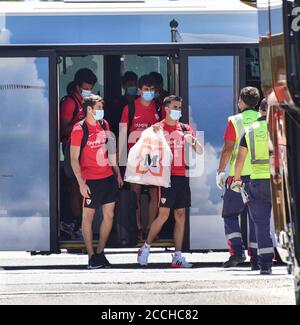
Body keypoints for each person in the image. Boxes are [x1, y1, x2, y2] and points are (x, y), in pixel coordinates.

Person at [137, 95, 203, 268]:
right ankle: (145, 248)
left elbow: (200, 151)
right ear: (166, 109)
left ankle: (178, 257)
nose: (177, 111)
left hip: (182, 176)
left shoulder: (185, 128)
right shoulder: (157, 128)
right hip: (165, 178)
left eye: (179, 107)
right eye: (175, 107)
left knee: (180, 215)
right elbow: (146, 154)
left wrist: (193, 141)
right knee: (164, 215)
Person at [70, 95, 123, 269]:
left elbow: (111, 151)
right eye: (98, 107)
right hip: (90, 180)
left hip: (107, 177)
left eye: (102, 107)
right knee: (88, 217)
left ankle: (100, 253)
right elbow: (73, 159)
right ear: (89, 110)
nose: (101, 111)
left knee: (109, 215)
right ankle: (91, 255)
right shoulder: (79, 129)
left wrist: (117, 173)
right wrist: (81, 183)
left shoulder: (104, 124)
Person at [216, 87, 261, 269]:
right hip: (259, 175)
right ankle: (257, 257)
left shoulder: (235, 120)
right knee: (257, 216)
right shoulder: (263, 120)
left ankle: (237, 252)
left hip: (238, 176)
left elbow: (228, 148)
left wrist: (220, 171)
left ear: (242, 100)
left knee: (229, 214)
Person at [232, 99, 274, 275]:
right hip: (279, 182)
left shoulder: (249, 131)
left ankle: (265, 265)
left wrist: (237, 179)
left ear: (260, 111)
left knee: (261, 225)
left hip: (257, 181)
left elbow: (240, 158)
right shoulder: (281, 129)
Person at [119, 74, 162, 241]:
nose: (149, 92)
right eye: (146, 90)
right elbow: (122, 135)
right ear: (139, 90)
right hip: (134, 157)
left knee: (154, 194)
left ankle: (150, 229)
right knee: (134, 194)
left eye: (152, 90)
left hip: (154, 157)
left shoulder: (159, 108)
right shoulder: (129, 108)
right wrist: (120, 161)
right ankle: (137, 228)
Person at [60, 68, 98, 238]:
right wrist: (82, 123)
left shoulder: (89, 102)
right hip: (73, 147)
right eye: (85, 88)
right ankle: (76, 223)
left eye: (91, 88)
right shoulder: (70, 103)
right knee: (77, 185)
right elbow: (62, 130)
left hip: (89, 148)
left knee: (88, 185)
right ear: (77, 87)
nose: (88, 91)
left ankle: (83, 223)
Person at [107, 71, 138, 140]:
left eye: (135, 84)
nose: (133, 87)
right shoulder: (117, 104)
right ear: (124, 86)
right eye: (130, 84)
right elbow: (114, 125)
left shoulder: (141, 101)